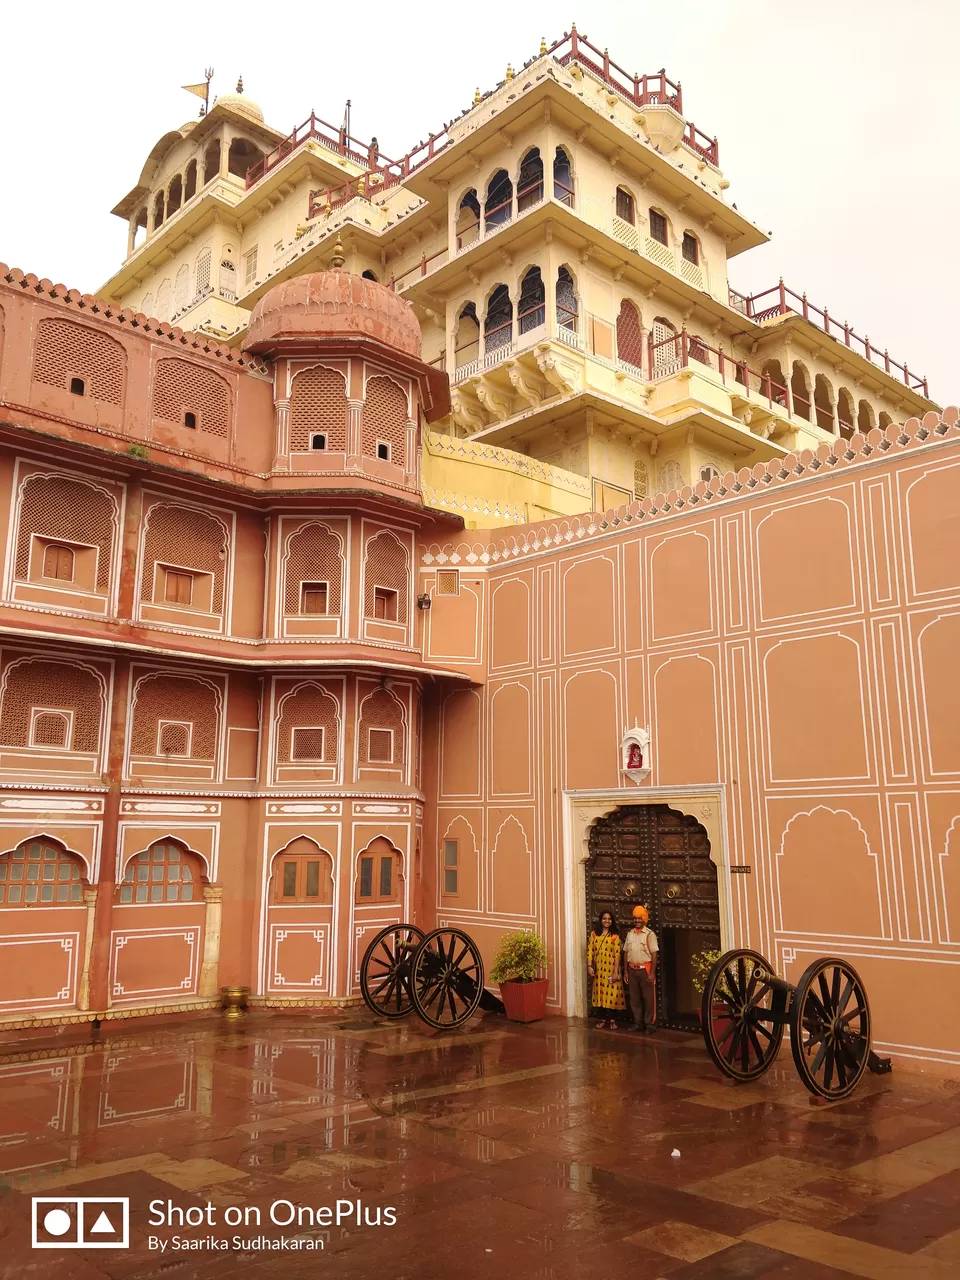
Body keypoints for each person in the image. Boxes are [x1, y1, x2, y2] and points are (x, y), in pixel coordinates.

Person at [622, 905, 658, 1033]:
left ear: (644, 919)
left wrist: (652, 973)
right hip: (632, 970)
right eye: (635, 918)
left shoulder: (649, 934)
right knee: (634, 999)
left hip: (645, 970)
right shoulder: (630, 934)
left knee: (648, 1000)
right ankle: (638, 1023)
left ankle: (650, 1025)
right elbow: (626, 952)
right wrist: (625, 971)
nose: (637, 921)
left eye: (639, 918)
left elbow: (654, 954)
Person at [586, 911, 625, 1029]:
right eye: (604, 918)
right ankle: (602, 1019)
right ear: (600, 919)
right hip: (599, 972)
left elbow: (617, 955)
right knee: (600, 994)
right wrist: (589, 966)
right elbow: (590, 951)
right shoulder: (594, 934)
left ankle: (613, 1020)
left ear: (612, 921)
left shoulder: (614, 936)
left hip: (611, 970)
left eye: (609, 919)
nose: (606, 921)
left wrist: (615, 972)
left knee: (612, 995)